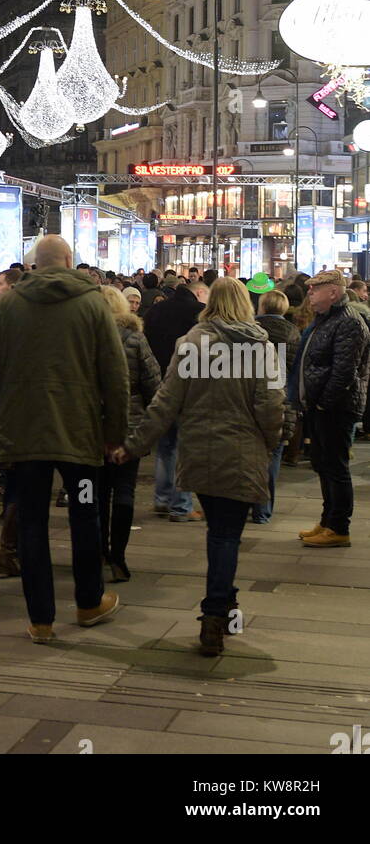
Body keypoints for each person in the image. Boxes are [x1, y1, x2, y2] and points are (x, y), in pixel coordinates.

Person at [114, 276, 283, 656]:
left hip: (200, 451)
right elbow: (271, 405)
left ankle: (225, 601)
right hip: (243, 450)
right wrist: (270, 444)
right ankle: (214, 613)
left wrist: (134, 445)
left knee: (218, 532)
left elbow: (166, 401)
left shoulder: (191, 345)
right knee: (227, 534)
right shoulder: (261, 347)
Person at [0, 235, 129, 645]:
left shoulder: (8, 305)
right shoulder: (94, 303)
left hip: (25, 434)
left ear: (36, 265)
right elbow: (115, 375)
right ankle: (87, 602)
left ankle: (40, 619)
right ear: (68, 260)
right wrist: (115, 434)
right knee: (84, 515)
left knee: (31, 523)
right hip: (80, 435)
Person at [294, 269, 370, 548]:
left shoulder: (348, 322)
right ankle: (327, 521)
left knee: (336, 467)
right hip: (320, 406)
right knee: (324, 465)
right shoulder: (326, 320)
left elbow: (344, 371)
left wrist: (324, 402)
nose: (310, 293)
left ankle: (339, 527)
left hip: (336, 407)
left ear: (333, 293)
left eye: (315, 289)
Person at [99, 286, 160, 581]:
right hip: (130, 422)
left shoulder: (86, 337)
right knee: (124, 489)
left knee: (96, 491)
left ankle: (98, 548)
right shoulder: (136, 338)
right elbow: (153, 382)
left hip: (91, 424)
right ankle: (118, 557)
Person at [143, 282, 208, 521]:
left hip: (159, 383)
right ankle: (181, 505)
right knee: (184, 445)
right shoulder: (198, 313)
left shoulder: (156, 310)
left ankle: (161, 499)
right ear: (200, 293)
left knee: (165, 445)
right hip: (186, 386)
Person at [251, 289, 300, 522]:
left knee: (251, 451)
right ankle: (264, 509)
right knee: (276, 452)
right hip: (282, 396)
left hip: (252, 397)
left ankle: (246, 502)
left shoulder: (250, 329)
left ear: (262, 307)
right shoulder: (293, 333)